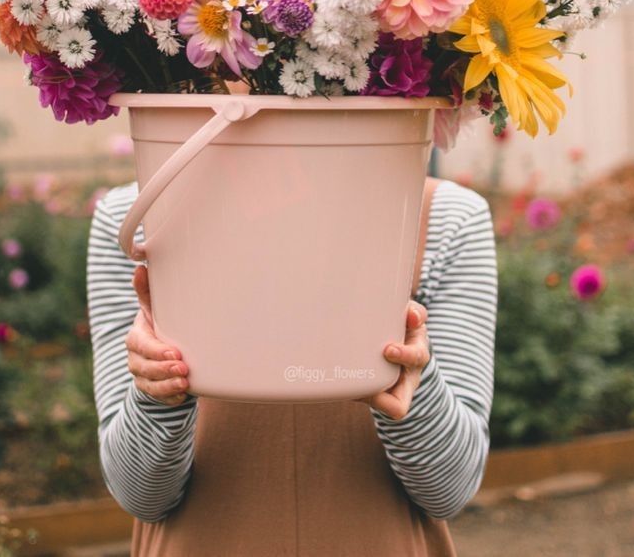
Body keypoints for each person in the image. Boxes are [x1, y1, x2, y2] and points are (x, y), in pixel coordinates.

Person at [88, 175, 498, 556]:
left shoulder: (444, 219)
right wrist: (158, 393)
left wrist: (411, 378)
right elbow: (140, 495)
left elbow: (449, 489)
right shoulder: (135, 220)